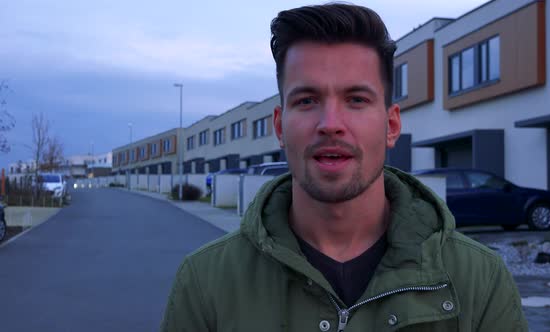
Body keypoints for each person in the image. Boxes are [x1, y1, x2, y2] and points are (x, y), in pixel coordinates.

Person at [160, 3, 528, 331]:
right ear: (278, 127)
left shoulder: (479, 280)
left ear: (391, 125)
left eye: (356, 99)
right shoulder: (206, 281)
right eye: (307, 100)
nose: (330, 122)